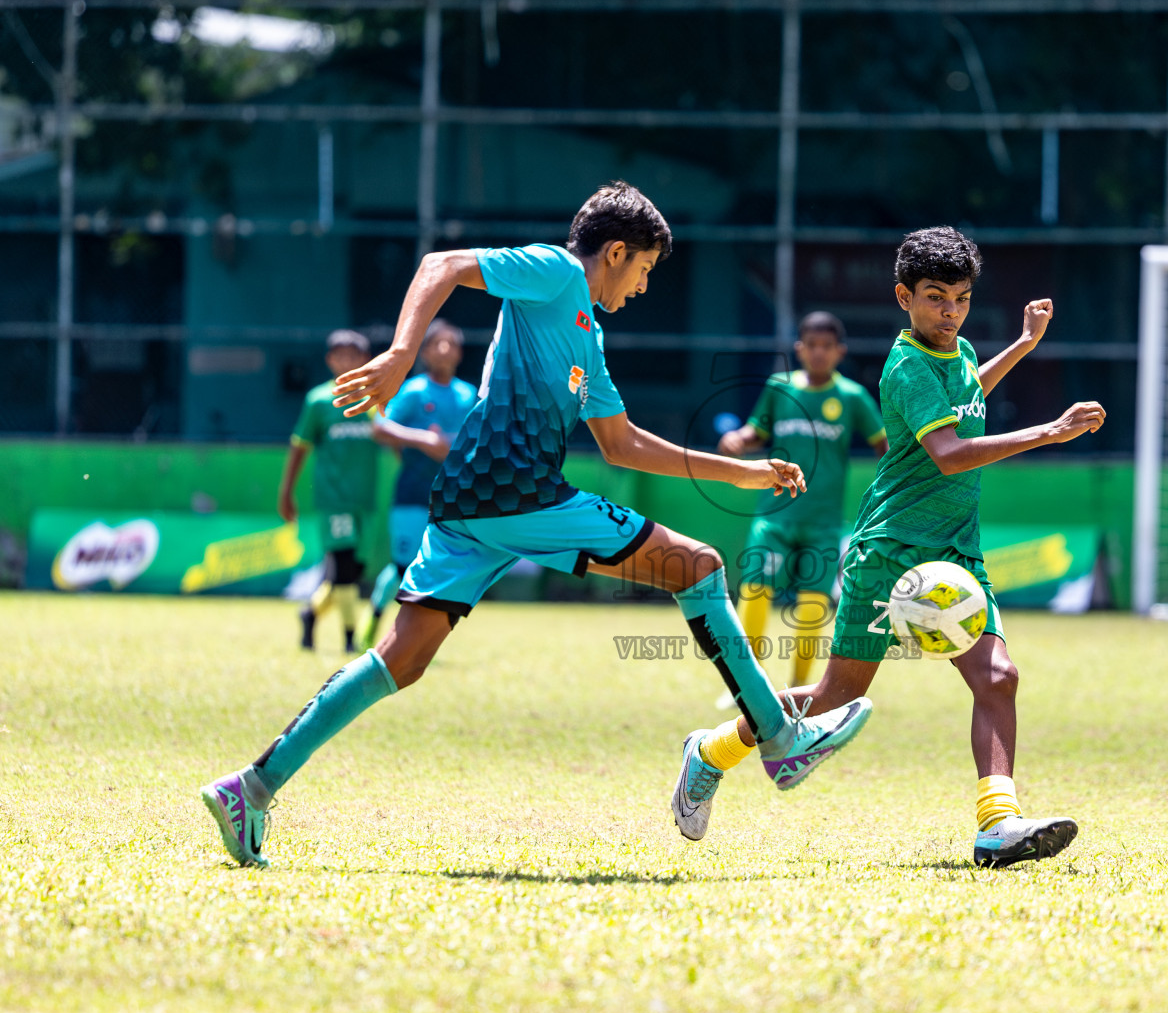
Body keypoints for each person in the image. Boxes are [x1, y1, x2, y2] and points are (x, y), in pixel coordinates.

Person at [201, 182, 872, 868]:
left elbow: (622, 443)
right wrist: (401, 355)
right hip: (518, 495)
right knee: (698, 568)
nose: (643, 287)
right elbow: (441, 265)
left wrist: (741, 470)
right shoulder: (555, 271)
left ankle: (249, 788)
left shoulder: (588, 332)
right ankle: (778, 743)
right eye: (644, 269)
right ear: (616, 251)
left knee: (399, 661)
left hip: (469, 501)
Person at [671, 226, 1105, 869]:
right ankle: (711, 752)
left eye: (960, 298)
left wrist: (1021, 344)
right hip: (893, 549)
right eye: (935, 297)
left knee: (999, 677)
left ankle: (997, 825)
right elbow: (950, 454)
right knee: (832, 702)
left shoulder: (954, 353)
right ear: (904, 296)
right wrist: (1048, 430)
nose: (950, 311)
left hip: (957, 550)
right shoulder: (904, 366)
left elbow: (966, 390)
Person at [713, 311, 887, 700]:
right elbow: (755, 431)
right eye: (812, 345)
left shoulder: (852, 397)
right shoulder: (779, 387)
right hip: (773, 516)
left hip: (823, 522)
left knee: (812, 607)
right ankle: (746, 685)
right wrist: (738, 440)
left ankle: (799, 690)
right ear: (799, 349)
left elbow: (884, 446)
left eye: (827, 346)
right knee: (755, 592)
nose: (819, 353)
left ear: (839, 351)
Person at [280, 330, 448, 653]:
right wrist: (286, 492)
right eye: (339, 355)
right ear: (329, 360)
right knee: (343, 568)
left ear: (365, 360)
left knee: (353, 570)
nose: (346, 362)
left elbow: (389, 434)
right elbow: (299, 447)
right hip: (334, 500)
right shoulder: (318, 401)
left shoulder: (374, 399)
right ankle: (349, 639)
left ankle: (310, 613)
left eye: (353, 356)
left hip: (366, 500)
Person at [360, 319, 479, 650]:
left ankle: (415, 639)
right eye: (437, 343)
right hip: (412, 494)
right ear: (425, 351)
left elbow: (478, 440)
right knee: (403, 567)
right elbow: (380, 429)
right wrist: (424, 441)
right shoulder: (414, 391)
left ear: (459, 352)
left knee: (440, 566)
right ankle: (375, 622)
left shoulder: (468, 395)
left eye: (451, 343)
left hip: (453, 498)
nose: (445, 349)